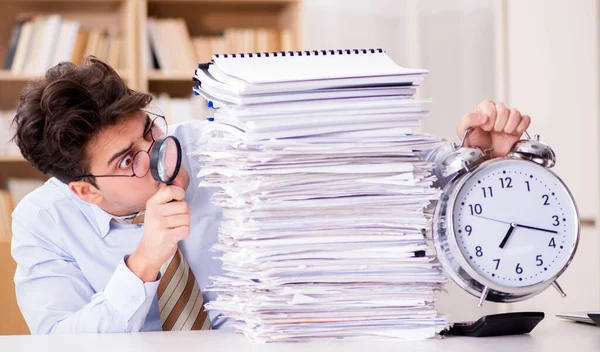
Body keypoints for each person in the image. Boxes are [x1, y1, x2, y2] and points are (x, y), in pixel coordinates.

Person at [10, 57, 530, 334]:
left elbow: (361, 175)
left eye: (149, 132)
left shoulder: (214, 147)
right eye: (128, 161)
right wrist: (144, 263)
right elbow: (60, 339)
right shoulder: (42, 222)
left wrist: (474, 159)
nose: (160, 156)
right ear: (86, 190)